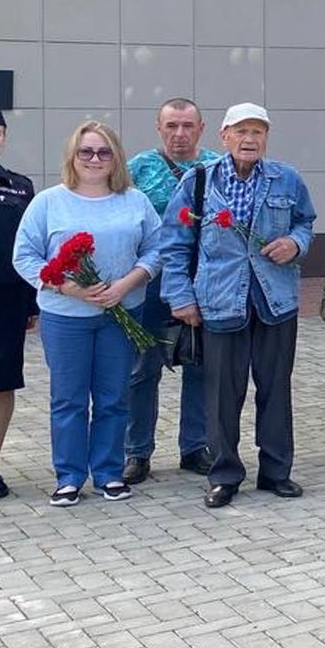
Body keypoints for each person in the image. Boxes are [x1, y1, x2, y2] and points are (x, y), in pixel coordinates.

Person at [159, 103, 315, 508]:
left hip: (274, 300)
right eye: (241, 131)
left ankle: (276, 471)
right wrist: (181, 297)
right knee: (222, 395)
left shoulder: (287, 178)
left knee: (275, 389)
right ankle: (224, 474)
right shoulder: (198, 182)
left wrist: (296, 243)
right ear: (224, 136)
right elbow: (174, 245)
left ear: (266, 138)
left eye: (258, 132)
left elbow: (305, 221)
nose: (250, 140)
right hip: (220, 301)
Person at [12, 122, 161, 505]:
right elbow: (24, 256)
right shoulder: (48, 202)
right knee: (69, 398)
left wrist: (126, 284)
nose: (94, 159)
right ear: (72, 157)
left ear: (116, 158)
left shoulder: (134, 200)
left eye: (103, 152)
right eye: (86, 152)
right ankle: (69, 476)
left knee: (113, 397)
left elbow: (157, 250)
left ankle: (109, 473)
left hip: (121, 312)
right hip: (65, 317)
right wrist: (67, 287)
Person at [122, 98, 220, 484]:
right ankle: (137, 452)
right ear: (159, 127)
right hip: (148, 282)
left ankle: (195, 446)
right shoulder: (137, 169)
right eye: (171, 126)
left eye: (187, 126)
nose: (179, 134)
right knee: (141, 369)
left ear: (201, 127)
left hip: (204, 282)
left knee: (201, 366)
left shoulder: (217, 167)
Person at [0, 102, 36, 500]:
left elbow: (30, 249)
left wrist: (32, 304)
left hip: (4, 302)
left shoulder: (19, 187)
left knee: (1, 384)